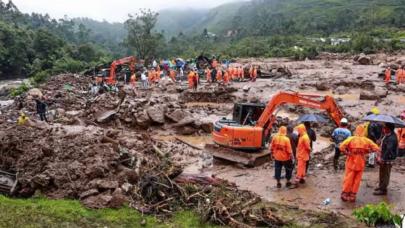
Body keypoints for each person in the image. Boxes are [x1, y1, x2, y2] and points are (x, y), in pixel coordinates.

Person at [339, 125, 380, 202]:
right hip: (361, 162)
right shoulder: (367, 140)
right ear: (363, 131)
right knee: (357, 180)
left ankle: (345, 193)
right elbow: (376, 148)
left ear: (356, 131)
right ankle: (353, 195)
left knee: (348, 178)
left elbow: (341, 147)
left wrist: (347, 153)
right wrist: (367, 151)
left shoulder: (351, 139)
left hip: (351, 161)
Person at [374, 123, 398, 196]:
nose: (383, 129)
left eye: (385, 128)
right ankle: (381, 186)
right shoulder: (387, 135)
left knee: (385, 174)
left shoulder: (392, 138)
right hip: (384, 156)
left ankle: (383, 189)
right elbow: (384, 144)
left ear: (389, 129)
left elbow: (389, 149)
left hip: (387, 158)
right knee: (382, 172)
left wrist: (383, 158)